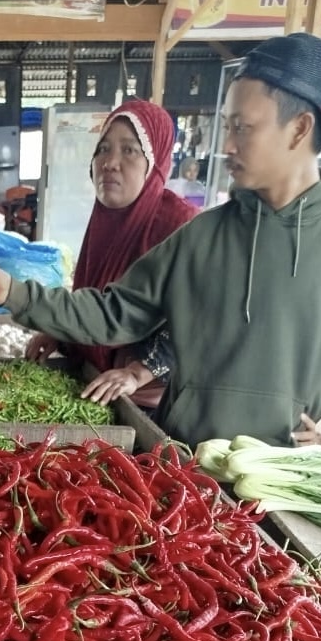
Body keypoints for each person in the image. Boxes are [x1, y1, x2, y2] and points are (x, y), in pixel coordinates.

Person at [0, 33, 321, 453]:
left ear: (299, 130)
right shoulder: (204, 235)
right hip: (181, 462)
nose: (226, 144)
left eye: (242, 128)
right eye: (227, 126)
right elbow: (113, 312)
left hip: (277, 471)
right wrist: (13, 292)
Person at [26, 100, 199, 411]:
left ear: (155, 162)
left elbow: (197, 320)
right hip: (100, 385)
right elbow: (101, 303)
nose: (110, 162)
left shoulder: (180, 225)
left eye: (129, 150)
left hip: (153, 405)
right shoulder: (105, 220)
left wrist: (137, 372)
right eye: (103, 149)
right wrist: (62, 332)